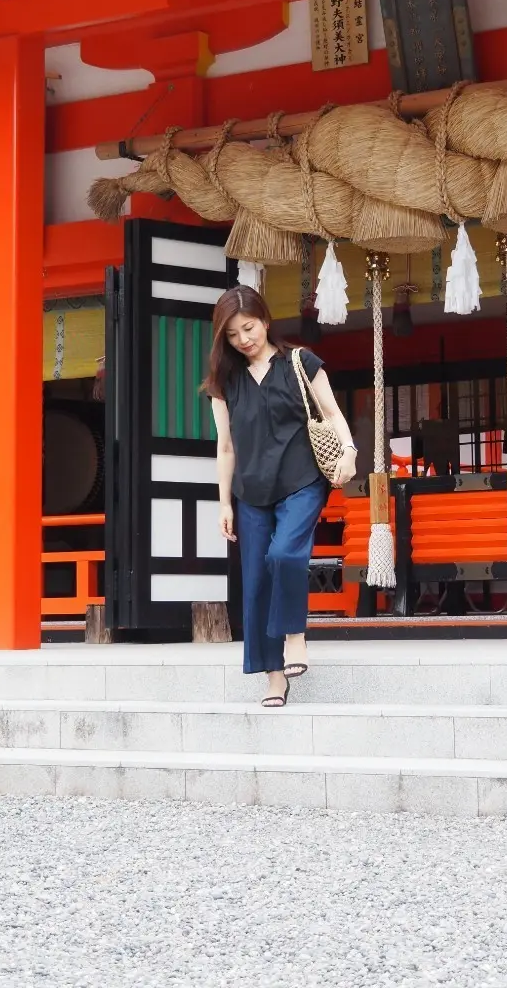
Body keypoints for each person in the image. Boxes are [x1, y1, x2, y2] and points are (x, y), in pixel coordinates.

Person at [205, 285, 358, 707]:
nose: (243, 339)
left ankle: (295, 636)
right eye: (232, 334)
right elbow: (225, 447)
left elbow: (332, 413)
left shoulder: (300, 363)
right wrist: (224, 503)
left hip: (301, 480)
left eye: (248, 328)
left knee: (286, 555)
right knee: (255, 582)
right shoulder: (225, 382)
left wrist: (349, 450)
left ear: (265, 321)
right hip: (251, 491)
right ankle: (274, 677)